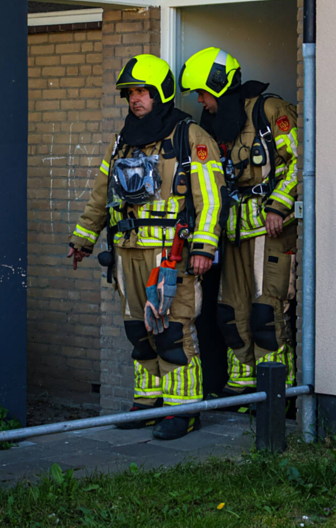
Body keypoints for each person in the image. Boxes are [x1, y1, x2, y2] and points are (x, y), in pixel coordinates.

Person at [68, 54, 224, 440]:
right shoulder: (122, 141)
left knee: (172, 331)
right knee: (138, 330)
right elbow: (101, 194)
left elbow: (212, 198)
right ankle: (148, 403)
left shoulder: (188, 137)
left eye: (142, 92)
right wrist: (83, 238)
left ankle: (184, 410)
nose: (135, 100)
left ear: (161, 93)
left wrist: (203, 247)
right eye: (131, 93)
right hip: (126, 252)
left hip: (169, 255)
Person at [179, 47, 299, 399]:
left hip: (271, 230)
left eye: (203, 92)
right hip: (232, 232)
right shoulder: (214, 125)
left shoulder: (269, 110)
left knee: (267, 312)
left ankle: (278, 393)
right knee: (231, 314)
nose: (201, 101)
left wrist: (279, 204)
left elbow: (301, 159)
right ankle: (243, 390)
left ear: (218, 85)